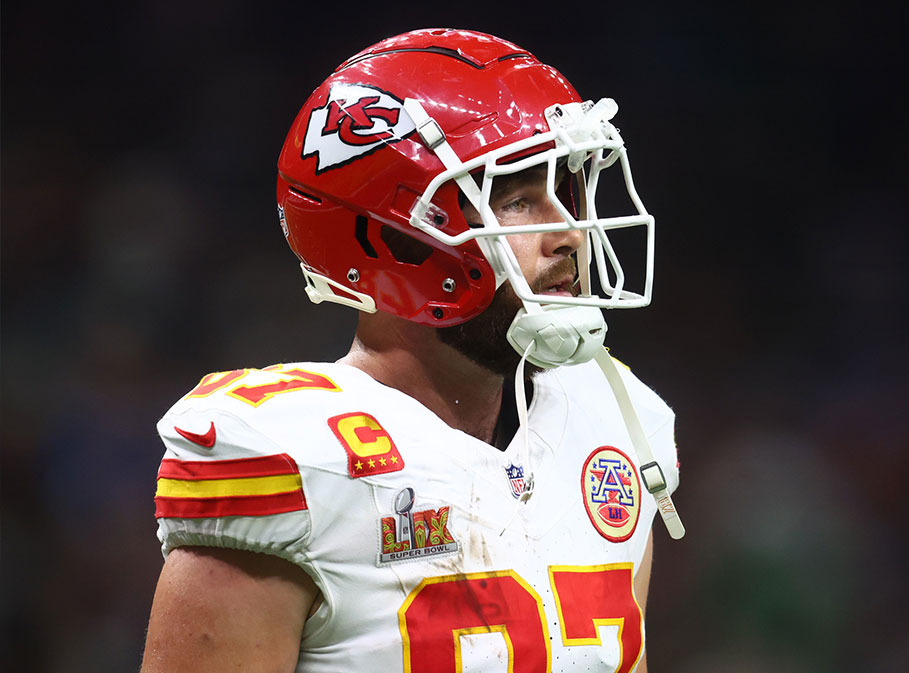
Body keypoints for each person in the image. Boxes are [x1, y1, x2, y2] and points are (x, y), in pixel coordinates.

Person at [141, 28, 683, 673]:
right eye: (514, 201)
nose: (567, 232)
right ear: (397, 241)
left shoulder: (610, 418)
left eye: (561, 192)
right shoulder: (291, 454)